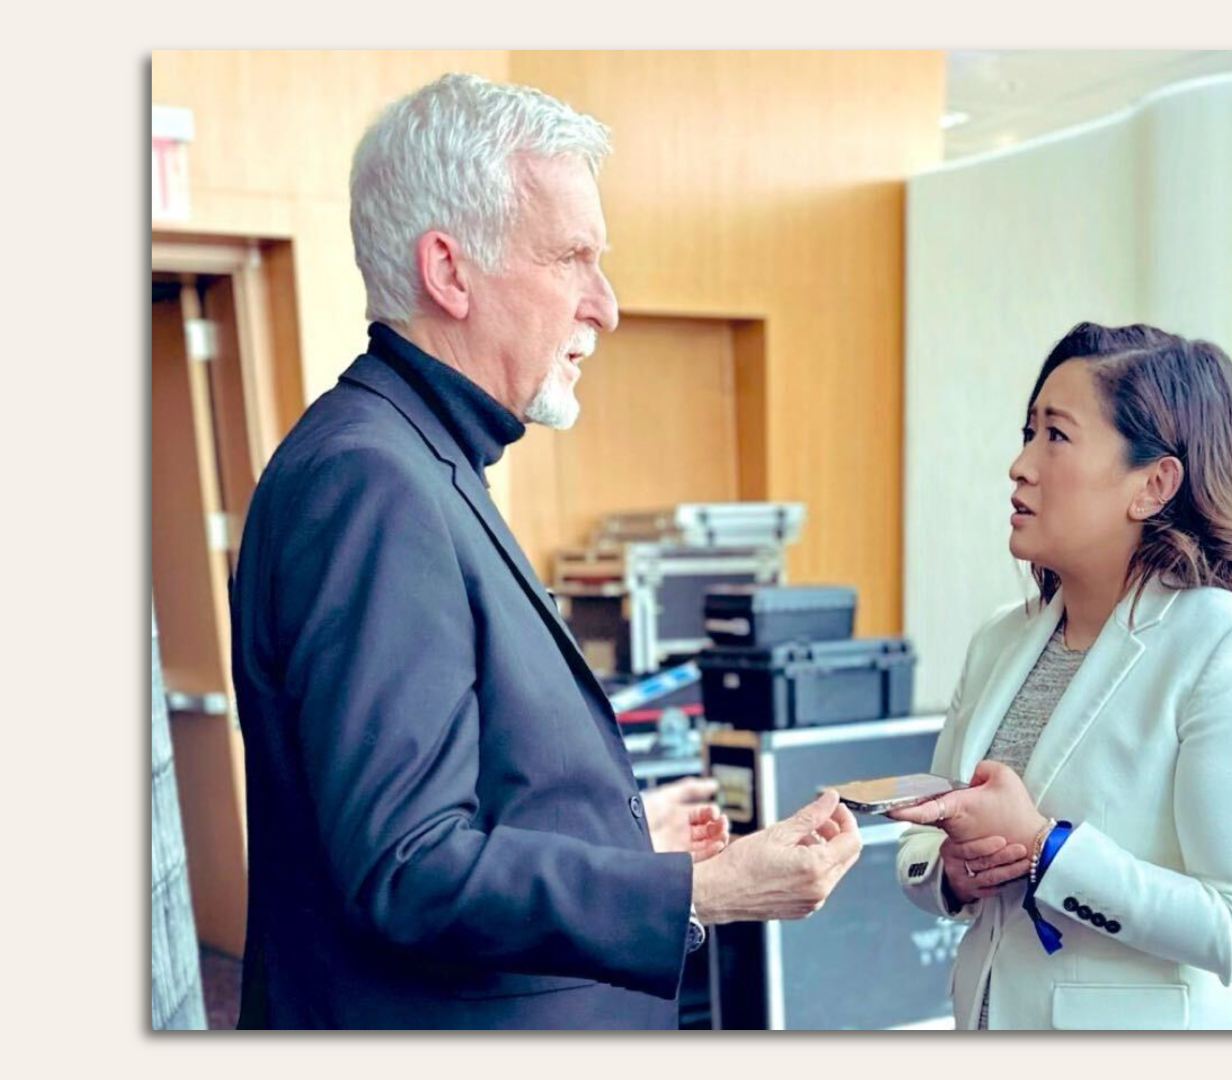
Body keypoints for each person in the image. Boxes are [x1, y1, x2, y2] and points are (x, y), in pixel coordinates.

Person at [228, 73, 861, 1030]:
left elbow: (443, 795)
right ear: (449, 271)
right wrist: (707, 887)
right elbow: (410, 864)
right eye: (573, 258)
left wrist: (620, 839)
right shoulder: (371, 481)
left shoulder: (418, 456)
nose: (604, 305)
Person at [888, 322, 1232, 1030]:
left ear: (1153, 484)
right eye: (1027, 432)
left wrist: (1042, 848)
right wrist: (954, 872)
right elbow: (929, 842)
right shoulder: (1000, 640)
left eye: (1055, 436)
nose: (1020, 465)